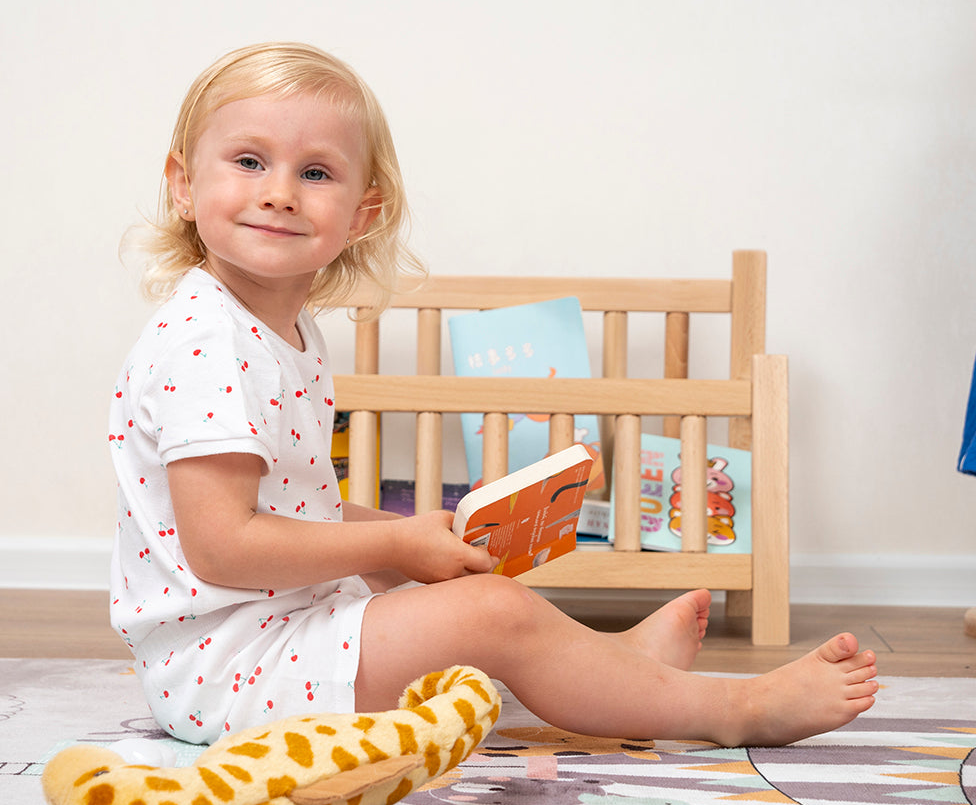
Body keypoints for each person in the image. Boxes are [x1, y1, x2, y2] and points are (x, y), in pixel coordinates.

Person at [110, 42, 878, 748]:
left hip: (278, 632)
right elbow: (225, 545)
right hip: (227, 670)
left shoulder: (284, 333)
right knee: (492, 617)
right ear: (183, 184)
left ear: (361, 213)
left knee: (475, 607)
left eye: (315, 173)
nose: (279, 193)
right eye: (249, 161)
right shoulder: (205, 341)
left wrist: (420, 537)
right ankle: (731, 712)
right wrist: (394, 546)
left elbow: (293, 509)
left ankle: (616, 667)